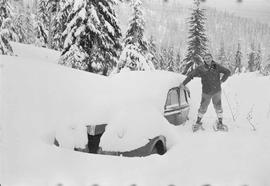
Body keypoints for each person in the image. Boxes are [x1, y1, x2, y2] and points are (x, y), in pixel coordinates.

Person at [180, 53, 231, 132]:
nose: (207, 60)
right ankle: (198, 121)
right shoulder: (201, 68)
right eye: (206, 58)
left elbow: (227, 72)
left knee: (218, 106)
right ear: (204, 59)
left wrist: (222, 81)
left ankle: (220, 122)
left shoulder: (216, 66)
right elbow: (191, 75)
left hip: (216, 91)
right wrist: (183, 83)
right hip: (206, 92)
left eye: (209, 58)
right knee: (203, 107)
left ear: (211, 58)